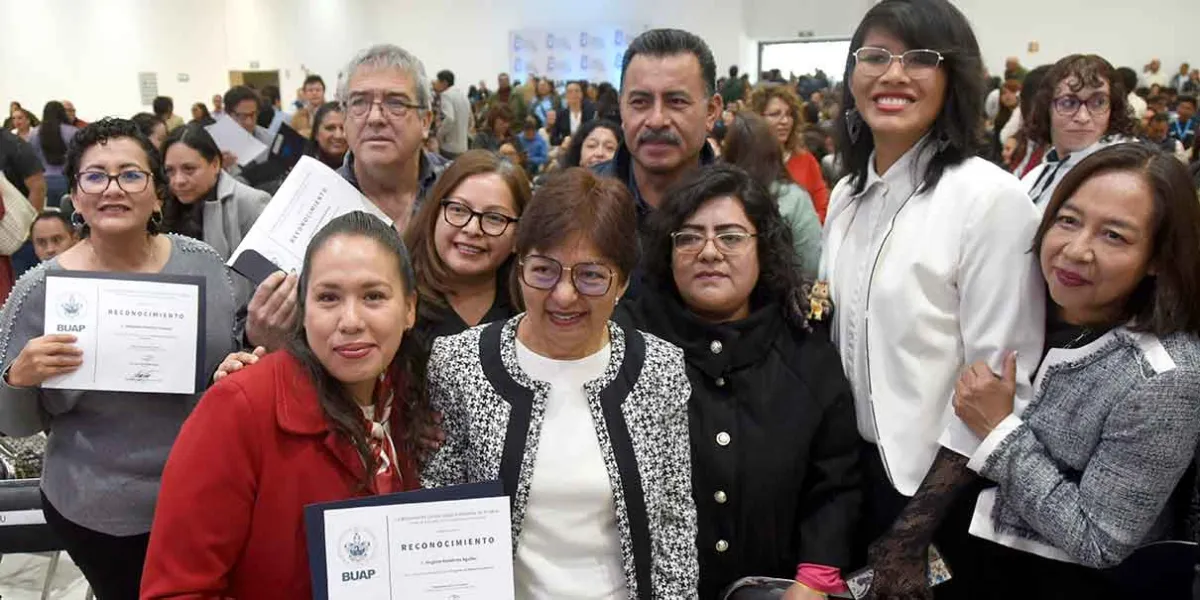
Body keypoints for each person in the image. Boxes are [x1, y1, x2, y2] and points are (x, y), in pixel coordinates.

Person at [821, 0, 1046, 596]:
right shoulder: (846, 193)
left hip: (942, 491)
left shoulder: (989, 199)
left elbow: (1002, 385)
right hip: (856, 472)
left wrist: (912, 531)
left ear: (954, 78)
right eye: (875, 56)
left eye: (919, 58)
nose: (893, 74)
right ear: (850, 75)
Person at [421, 168, 698, 598]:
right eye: (544, 270)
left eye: (590, 275)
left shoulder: (658, 369)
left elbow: (674, 529)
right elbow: (439, 516)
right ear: (519, 267)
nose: (564, 295)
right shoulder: (460, 362)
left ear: (621, 282)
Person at [0, 118, 238, 599]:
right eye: (95, 176)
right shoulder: (39, 291)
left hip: (204, 494)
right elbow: (15, 425)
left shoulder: (204, 265)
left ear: (156, 193)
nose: (113, 188)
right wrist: (17, 380)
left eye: (131, 174)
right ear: (76, 197)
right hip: (96, 506)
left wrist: (236, 370)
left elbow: (224, 368)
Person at [141, 212, 434, 600]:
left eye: (374, 296)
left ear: (409, 309)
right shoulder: (238, 408)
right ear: (303, 307)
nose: (350, 321)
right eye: (328, 297)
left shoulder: (409, 398)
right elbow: (176, 590)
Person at [953, 143, 1200, 598]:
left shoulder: (1164, 376)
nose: (1076, 250)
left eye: (1115, 236)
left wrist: (1000, 432)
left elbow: (1100, 540)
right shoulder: (1028, 305)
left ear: (1158, 259)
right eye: (1068, 221)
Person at [618, 164, 860, 600]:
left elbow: (837, 480)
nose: (709, 252)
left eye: (730, 236)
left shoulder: (805, 350)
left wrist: (814, 579)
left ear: (763, 248)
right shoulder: (624, 345)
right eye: (689, 237)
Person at [404, 149, 528, 344]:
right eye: (458, 210)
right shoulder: (397, 295)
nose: (472, 229)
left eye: (494, 218)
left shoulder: (529, 309)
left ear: (518, 236)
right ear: (435, 213)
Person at [336, 44, 449, 232]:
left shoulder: (458, 188)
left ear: (425, 122)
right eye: (359, 102)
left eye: (396, 103)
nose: (375, 118)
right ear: (344, 119)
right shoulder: (310, 202)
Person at [1023, 55, 1137, 208]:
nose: (1083, 117)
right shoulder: (1040, 172)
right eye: (1068, 102)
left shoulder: (1125, 176)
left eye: (1098, 102)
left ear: (1113, 109)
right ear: (1046, 109)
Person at [721, 113, 821, 279]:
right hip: (782, 296)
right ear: (773, 151)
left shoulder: (715, 195)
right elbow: (811, 263)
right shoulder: (794, 198)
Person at [161, 125, 270, 260]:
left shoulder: (250, 203)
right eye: (170, 171)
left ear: (215, 164)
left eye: (189, 169)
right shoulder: (165, 205)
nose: (178, 180)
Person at [750, 85, 831, 223]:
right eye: (775, 114)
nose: (785, 121)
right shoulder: (747, 161)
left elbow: (823, 207)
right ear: (757, 119)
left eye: (789, 114)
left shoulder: (806, 160)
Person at [28, 101, 79, 207]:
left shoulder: (33, 133)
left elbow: (31, 158)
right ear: (62, 113)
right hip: (66, 180)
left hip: (42, 181)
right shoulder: (72, 132)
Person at [433, 69, 472, 159]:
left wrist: (439, 134)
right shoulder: (463, 95)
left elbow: (450, 119)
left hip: (449, 147)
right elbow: (470, 121)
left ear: (445, 83)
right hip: (464, 147)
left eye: (438, 80)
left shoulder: (446, 95)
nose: (436, 83)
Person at [304, 102, 348, 170]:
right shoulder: (301, 167)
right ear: (316, 133)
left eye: (344, 128)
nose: (338, 135)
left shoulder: (363, 170)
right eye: (330, 128)